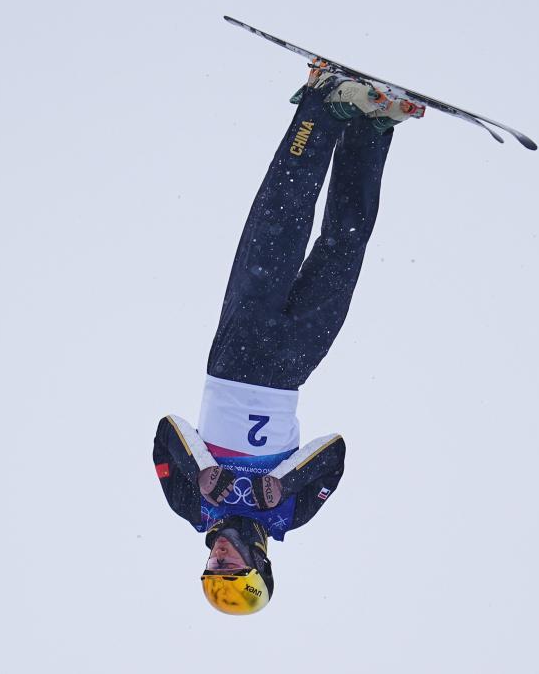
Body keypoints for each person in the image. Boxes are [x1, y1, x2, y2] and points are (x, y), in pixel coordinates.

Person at [153, 63, 425, 615]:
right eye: (231, 568)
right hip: (292, 367)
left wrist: (202, 472)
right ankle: (371, 130)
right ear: (259, 562)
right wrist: (282, 480)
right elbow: (334, 452)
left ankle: (323, 105)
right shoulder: (289, 514)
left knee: (281, 221)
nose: (218, 558)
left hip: (236, 356)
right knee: (343, 249)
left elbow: (166, 432)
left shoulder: (191, 507)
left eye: (212, 568)